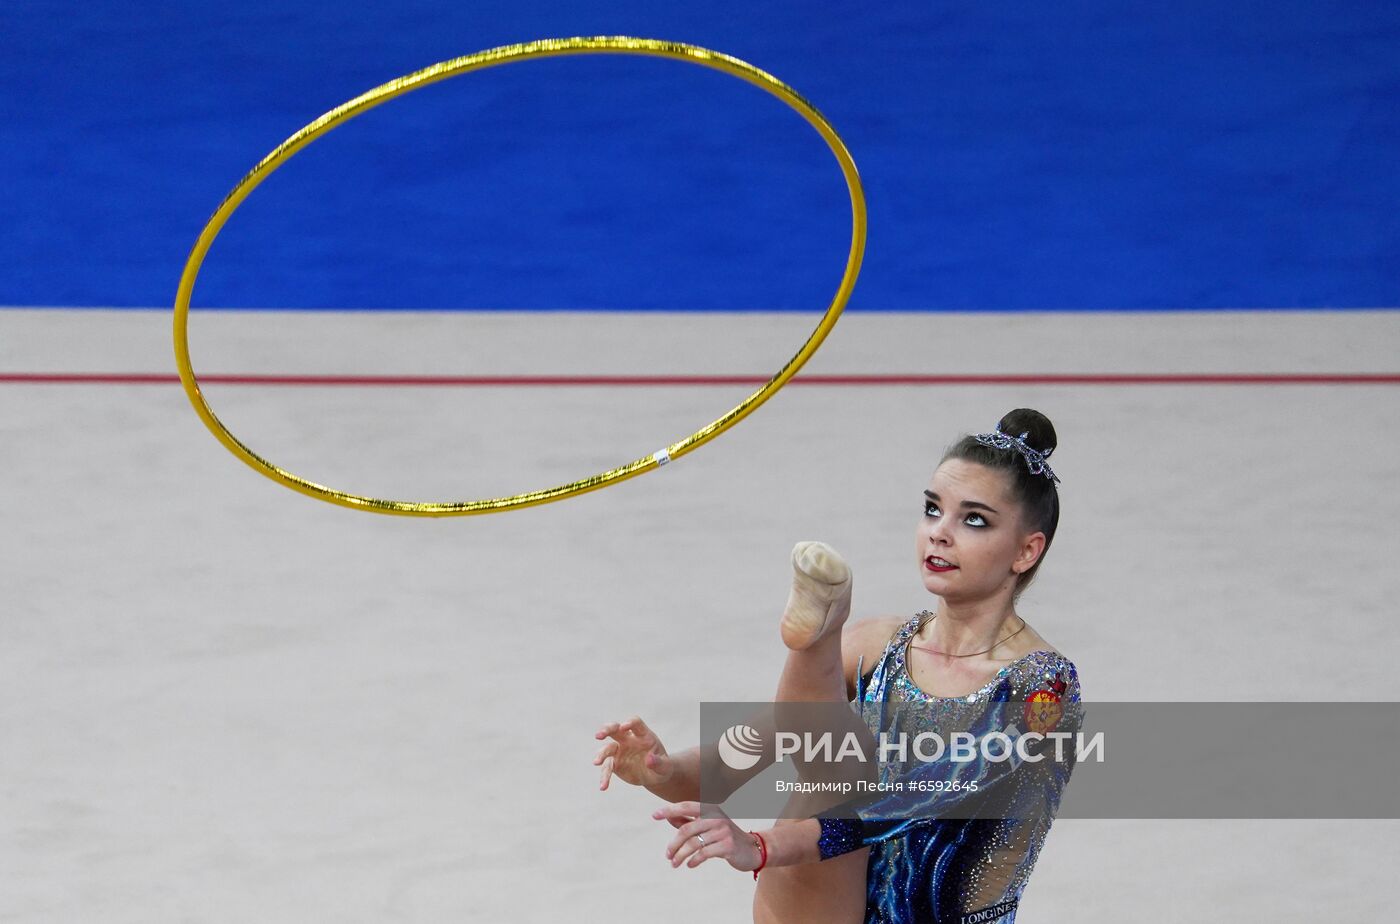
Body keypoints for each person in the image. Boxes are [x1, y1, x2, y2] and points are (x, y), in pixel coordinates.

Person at [594, 408, 1083, 924]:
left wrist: (760, 846)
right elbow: (727, 765)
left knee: (846, 766)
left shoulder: (1041, 687)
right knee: (828, 754)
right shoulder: (877, 645)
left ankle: (814, 640)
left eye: (974, 519)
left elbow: (906, 805)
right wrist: (660, 769)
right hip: (827, 906)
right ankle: (814, 638)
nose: (939, 533)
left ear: (1027, 551)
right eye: (932, 509)